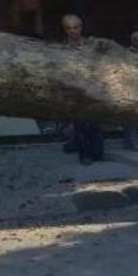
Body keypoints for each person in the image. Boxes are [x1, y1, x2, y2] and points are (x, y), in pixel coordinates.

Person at [61, 14, 103, 165]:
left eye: (75, 27)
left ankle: (97, 152)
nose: (73, 31)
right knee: (80, 124)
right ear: (65, 30)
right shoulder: (61, 48)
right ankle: (85, 155)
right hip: (75, 90)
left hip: (92, 88)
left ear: (81, 27)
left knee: (95, 123)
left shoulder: (90, 46)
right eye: (69, 28)